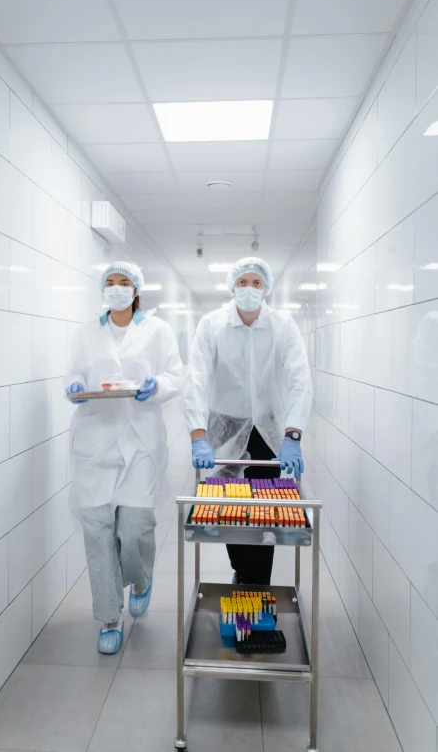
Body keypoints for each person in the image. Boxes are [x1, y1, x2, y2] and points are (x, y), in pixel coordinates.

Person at [64, 261, 184, 654]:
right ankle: (108, 616)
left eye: (124, 283)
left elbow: (176, 376)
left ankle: (142, 578)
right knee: (97, 532)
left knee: (134, 527)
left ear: (136, 290)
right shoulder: (85, 334)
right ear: (103, 289)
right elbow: (71, 377)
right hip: (95, 442)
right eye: (110, 283)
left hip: (140, 442)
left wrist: (159, 385)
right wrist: (76, 387)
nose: (117, 288)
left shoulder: (157, 330)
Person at [184, 257, 312, 585]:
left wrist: (292, 435)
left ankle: (255, 586)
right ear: (232, 287)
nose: (249, 289)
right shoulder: (212, 325)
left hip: (267, 431)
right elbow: (196, 378)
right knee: (228, 503)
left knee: (262, 510)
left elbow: (300, 378)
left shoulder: (283, 326)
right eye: (243, 282)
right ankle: (240, 567)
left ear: (266, 288)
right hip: (224, 428)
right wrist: (198, 434)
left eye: (257, 283)